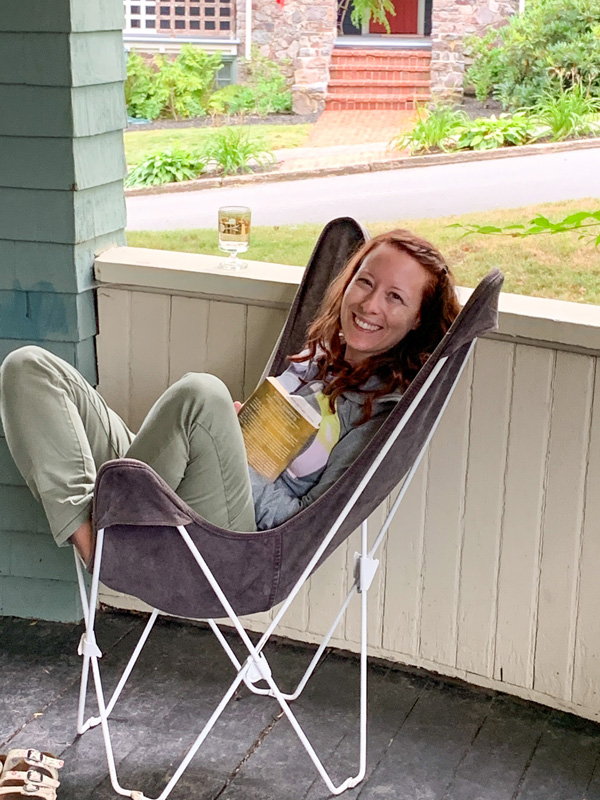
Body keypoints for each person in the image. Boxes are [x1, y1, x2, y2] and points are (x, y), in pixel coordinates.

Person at [0, 229, 460, 567]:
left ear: (418, 319)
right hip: (167, 491)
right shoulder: (316, 357)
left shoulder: (377, 416)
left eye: (395, 297)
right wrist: (230, 435)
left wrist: (234, 454)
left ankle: (114, 536)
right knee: (28, 368)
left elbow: (304, 520)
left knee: (202, 393)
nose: (370, 304)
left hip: (231, 541)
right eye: (365, 281)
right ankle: (93, 541)